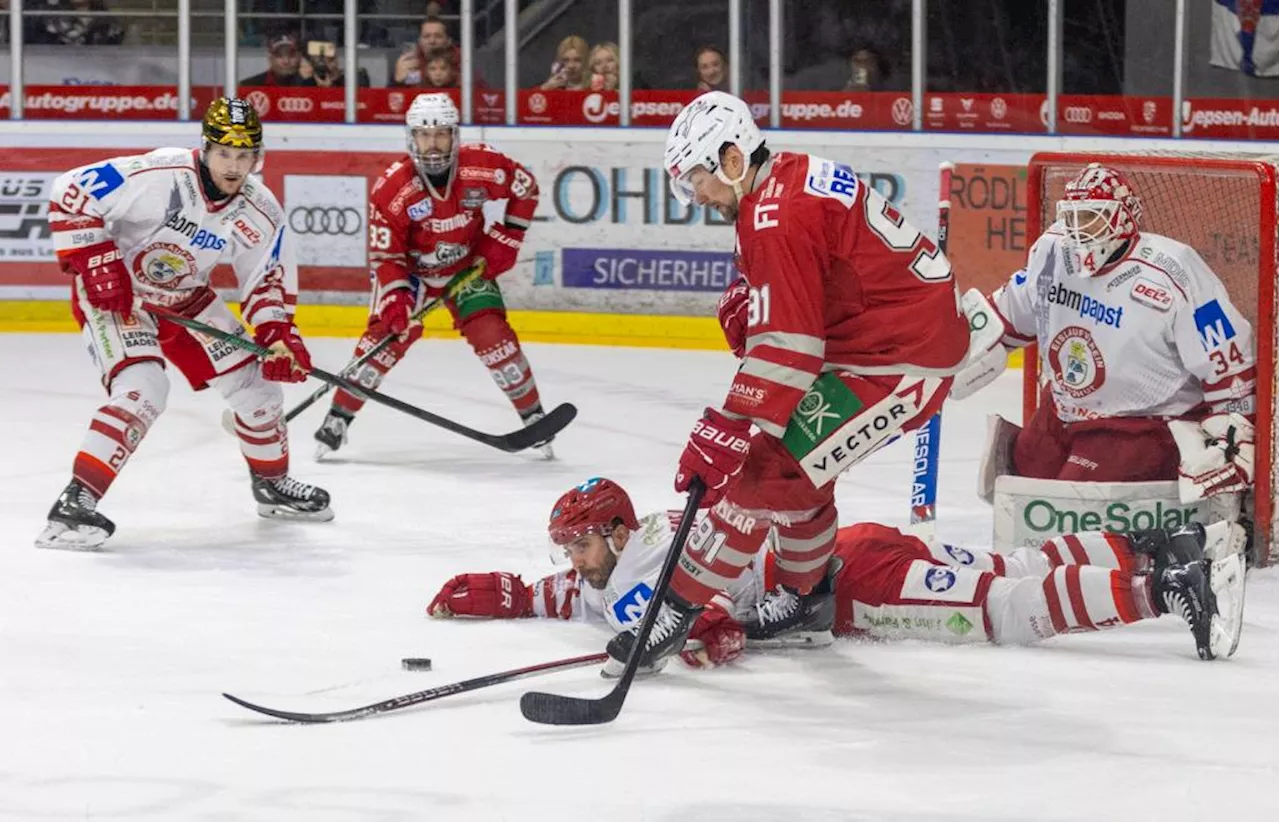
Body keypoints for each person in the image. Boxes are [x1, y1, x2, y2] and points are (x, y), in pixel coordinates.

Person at [601, 90, 971, 672]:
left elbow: (788, 348)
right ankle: (805, 601)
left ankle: (674, 613)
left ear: (731, 158)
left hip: (900, 361)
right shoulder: (785, 179)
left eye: (697, 177)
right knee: (799, 466)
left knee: (763, 469)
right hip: (883, 339)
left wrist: (729, 426)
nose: (695, 194)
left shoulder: (773, 215)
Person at [428, 478, 1248, 668]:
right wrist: (492, 592)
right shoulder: (621, 555)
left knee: (1002, 606)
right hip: (842, 543)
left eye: (576, 545)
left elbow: (697, 624)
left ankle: (1163, 591)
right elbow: (564, 592)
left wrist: (706, 638)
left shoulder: (641, 569)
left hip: (854, 589)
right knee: (1012, 560)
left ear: (610, 533)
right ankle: (1161, 546)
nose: (570, 562)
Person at [35, 98, 332, 550]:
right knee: (144, 388)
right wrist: (97, 260)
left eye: (244, 155)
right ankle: (73, 506)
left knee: (259, 390)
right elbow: (70, 191)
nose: (233, 166)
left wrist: (277, 334)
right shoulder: (159, 174)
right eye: (224, 153)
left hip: (185, 300)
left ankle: (271, 486)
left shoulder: (260, 210)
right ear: (206, 148)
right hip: (122, 298)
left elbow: (265, 279)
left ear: (257, 157)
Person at [950, 163, 1256, 504]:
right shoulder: (1052, 250)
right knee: (1016, 487)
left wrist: (1235, 427)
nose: (1080, 230)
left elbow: (1227, 357)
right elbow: (1011, 312)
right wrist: (953, 348)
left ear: (1124, 218)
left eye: (1093, 217)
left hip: (1140, 425)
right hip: (1062, 410)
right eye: (1073, 217)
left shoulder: (1175, 269)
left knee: (1069, 510)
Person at [312, 93, 555, 460]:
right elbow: (387, 256)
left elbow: (526, 188)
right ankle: (338, 418)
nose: (433, 144)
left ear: (455, 135)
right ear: (411, 138)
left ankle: (533, 415)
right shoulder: (392, 190)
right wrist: (396, 301)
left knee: (494, 337)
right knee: (383, 340)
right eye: (425, 136)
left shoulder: (482, 166)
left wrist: (508, 237)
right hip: (412, 274)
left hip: (465, 268)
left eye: (441, 134)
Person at [391, 16, 458, 87]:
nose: (432, 41)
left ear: (449, 41)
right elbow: (393, 94)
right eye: (426, 36)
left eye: (438, 36)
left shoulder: (462, 62)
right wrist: (397, 81)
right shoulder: (412, 62)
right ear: (419, 41)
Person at [240, 33, 316, 87]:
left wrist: (303, 81)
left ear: (300, 57)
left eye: (291, 55)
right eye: (279, 55)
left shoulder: (313, 84)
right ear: (270, 58)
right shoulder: (249, 85)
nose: (286, 61)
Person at [297, 41, 372, 88]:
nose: (322, 63)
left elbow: (361, 104)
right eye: (318, 58)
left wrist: (331, 89)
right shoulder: (307, 80)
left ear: (336, 60)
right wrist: (300, 79)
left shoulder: (355, 78)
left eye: (329, 59)